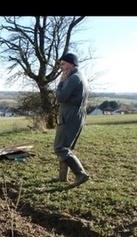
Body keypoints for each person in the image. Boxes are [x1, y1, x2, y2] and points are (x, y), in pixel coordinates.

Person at [53, 53, 90, 187]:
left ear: (72, 64)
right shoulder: (81, 76)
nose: (61, 68)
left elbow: (60, 98)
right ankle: (62, 177)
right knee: (65, 146)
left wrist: (61, 83)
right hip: (78, 114)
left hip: (70, 114)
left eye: (63, 64)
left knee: (60, 147)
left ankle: (80, 174)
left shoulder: (73, 78)